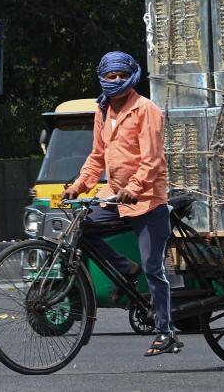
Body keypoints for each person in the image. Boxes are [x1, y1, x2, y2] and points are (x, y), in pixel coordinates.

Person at [63, 51, 181, 357]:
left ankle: (167, 332)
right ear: (102, 77)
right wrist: (77, 186)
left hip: (147, 199)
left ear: (131, 77)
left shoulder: (146, 110)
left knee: (154, 268)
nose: (115, 80)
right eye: (110, 75)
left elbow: (152, 160)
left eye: (120, 75)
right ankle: (125, 268)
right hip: (114, 196)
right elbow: (97, 157)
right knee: (83, 228)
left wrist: (135, 186)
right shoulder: (102, 111)